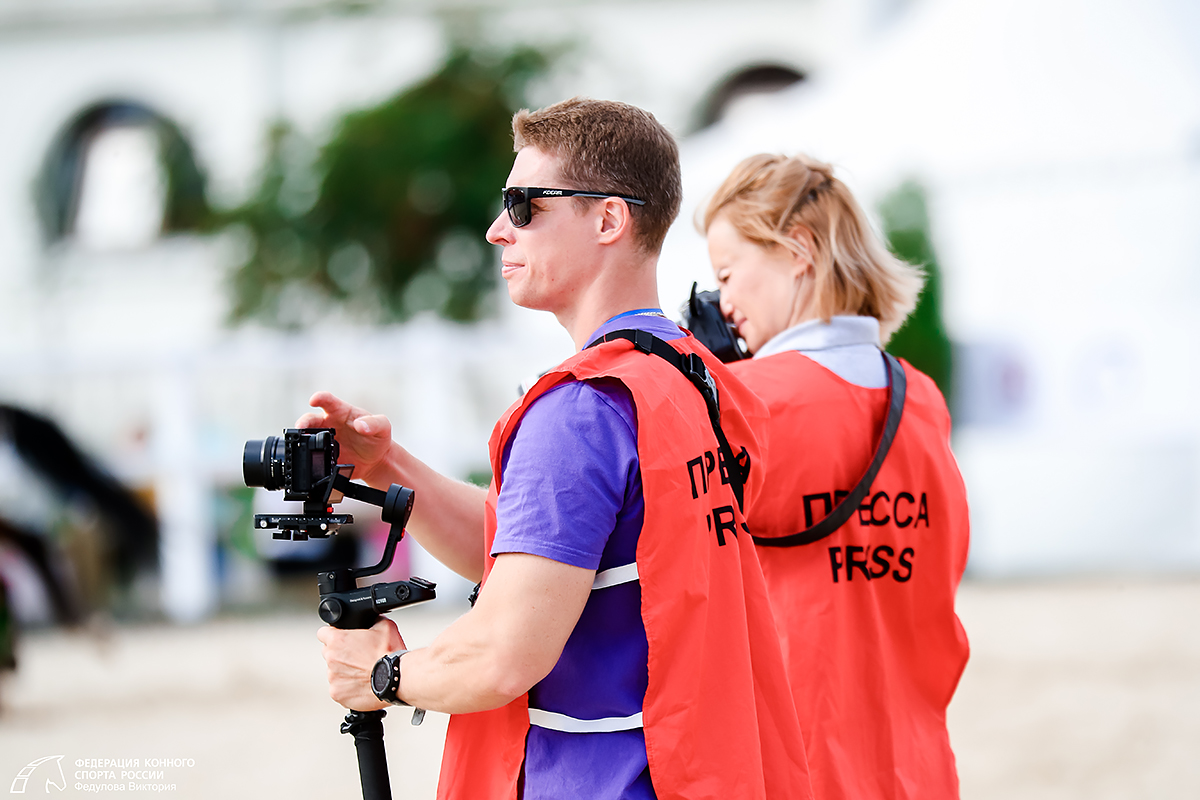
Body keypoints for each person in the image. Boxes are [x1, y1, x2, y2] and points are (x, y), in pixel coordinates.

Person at [307, 100, 813, 800]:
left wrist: (381, 673)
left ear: (608, 219)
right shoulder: (696, 380)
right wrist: (386, 466)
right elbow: (543, 559)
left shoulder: (580, 410)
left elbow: (503, 654)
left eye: (524, 206)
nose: (498, 229)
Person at [701, 153, 970, 800]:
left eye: (727, 274)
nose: (723, 303)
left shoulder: (743, 401)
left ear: (798, 249)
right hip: (913, 765)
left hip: (791, 764)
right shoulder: (921, 400)